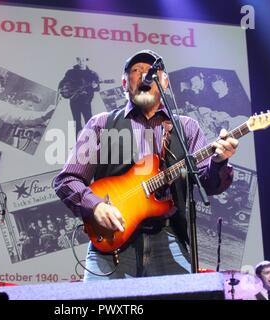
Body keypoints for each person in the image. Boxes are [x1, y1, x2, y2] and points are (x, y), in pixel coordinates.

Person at [54, 50, 239, 281]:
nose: (145, 76)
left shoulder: (187, 127)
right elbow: (66, 180)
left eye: (152, 72)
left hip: (169, 237)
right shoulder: (101, 123)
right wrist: (96, 206)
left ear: (164, 82)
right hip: (113, 242)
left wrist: (219, 161)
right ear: (124, 83)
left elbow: (205, 182)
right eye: (136, 71)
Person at [58, 57, 101, 136]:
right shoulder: (70, 72)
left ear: (87, 60)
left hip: (86, 101)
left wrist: (95, 86)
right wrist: (62, 92)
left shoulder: (92, 74)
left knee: (89, 121)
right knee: (77, 122)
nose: (81, 62)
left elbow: (97, 88)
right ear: (77, 60)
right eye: (79, 60)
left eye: (83, 60)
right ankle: (79, 142)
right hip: (74, 100)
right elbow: (62, 83)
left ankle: (91, 141)